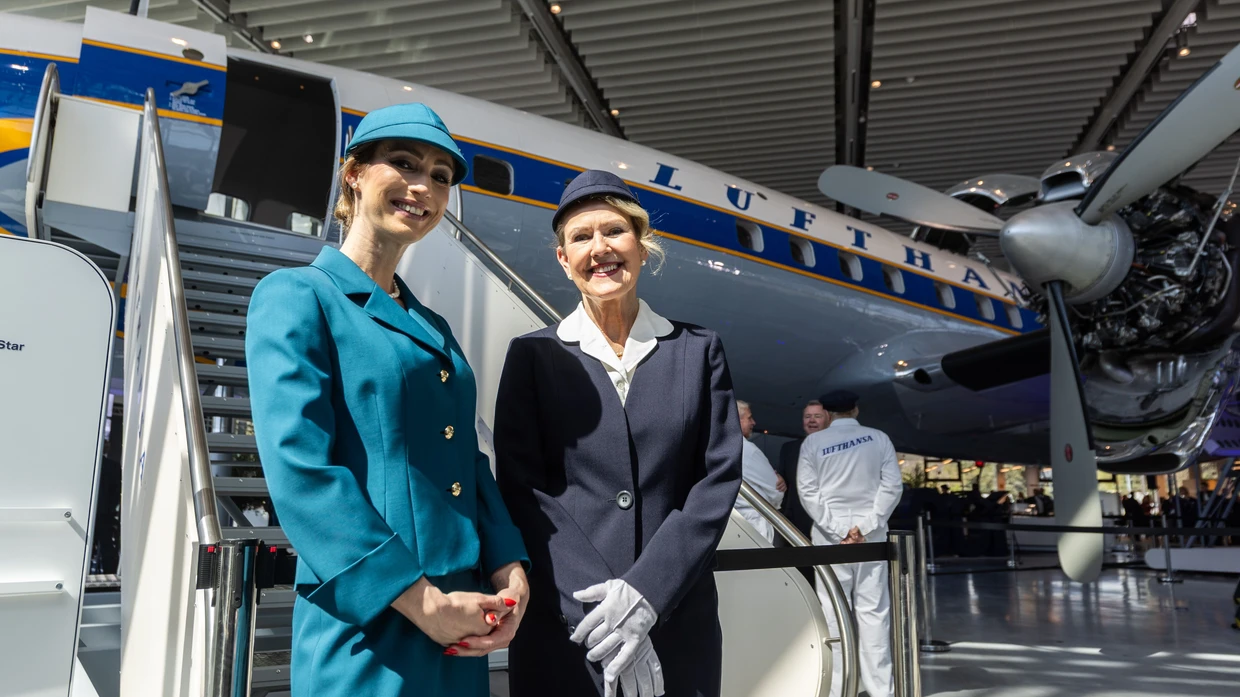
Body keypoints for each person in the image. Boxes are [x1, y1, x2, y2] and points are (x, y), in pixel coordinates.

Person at [245, 103, 531, 697]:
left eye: (441, 176)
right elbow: (303, 471)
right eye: (403, 163)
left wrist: (509, 564)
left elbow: (467, 459)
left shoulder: (431, 325)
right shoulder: (298, 296)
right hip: (374, 615)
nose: (423, 186)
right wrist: (418, 599)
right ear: (353, 173)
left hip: (460, 615)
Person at [495, 170, 743, 697]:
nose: (599, 248)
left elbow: (716, 479)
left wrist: (646, 593)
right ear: (564, 259)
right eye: (581, 237)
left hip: (674, 615)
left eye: (615, 231)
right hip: (570, 621)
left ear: (642, 245)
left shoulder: (698, 350)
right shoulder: (533, 355)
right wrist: (603, 608)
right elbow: (522, 489)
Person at [797, 390, 901, 697]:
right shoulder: (879, 438)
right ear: (855, 410)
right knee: (874, 611)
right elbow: (892, 485)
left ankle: (841, 687)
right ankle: (881, 689)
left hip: (831, 538)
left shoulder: (813, 442)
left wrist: (840, 528)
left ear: (827, 414)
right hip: (872, 537)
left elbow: (808, 491)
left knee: (833, 612)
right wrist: (865, 527)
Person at [774, 400, 828, 584]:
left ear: (827, 418)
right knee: (802, 579)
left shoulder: (837, 447)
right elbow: (782, 480)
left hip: (829, 524)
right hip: (797, 525)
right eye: (807, 416)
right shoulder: (789, 449)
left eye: (817, 416)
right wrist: (777, 477)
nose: (812, 420)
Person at [734, 400, 785, 543]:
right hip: (756, 526)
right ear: (736, 420)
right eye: (749, 418)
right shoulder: (749, 451)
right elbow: (776, 491)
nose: (753, 423)